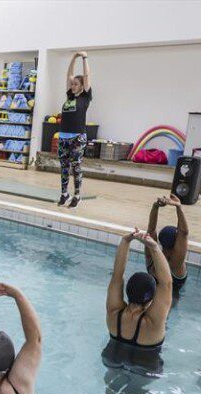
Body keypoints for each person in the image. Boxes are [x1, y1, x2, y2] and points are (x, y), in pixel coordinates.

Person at [102, 230, 172, 374]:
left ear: (127, 291)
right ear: (152, 298)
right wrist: (153, 247)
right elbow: (166, 284)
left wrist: (125, 241)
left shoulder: (114, 312)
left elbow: (117, 275)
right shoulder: (153, 323)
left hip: (112, 358)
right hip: (144, 366)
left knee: (109, 391)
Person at [57, 51, 92, 209]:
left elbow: (87, 74)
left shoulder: (85, 97)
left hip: (77, 137)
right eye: (72, 84)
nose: (72, 86)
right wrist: (73, 57)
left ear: (82, 86)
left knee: (76, 166)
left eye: (76, 84)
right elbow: (69, 74)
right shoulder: (69, 97)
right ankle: (65, 194)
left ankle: (77, 195)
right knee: (64, 166)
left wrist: (84, 58)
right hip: (63, 136)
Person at [146, 194, 188, 295]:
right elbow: (184, 233)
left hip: (150, 300)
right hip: (169, 304)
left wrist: (155, 207)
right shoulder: (176, 264)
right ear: (176, 243)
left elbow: (151, 230)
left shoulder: (152, 257)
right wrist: (178, 207)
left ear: (159, 240)